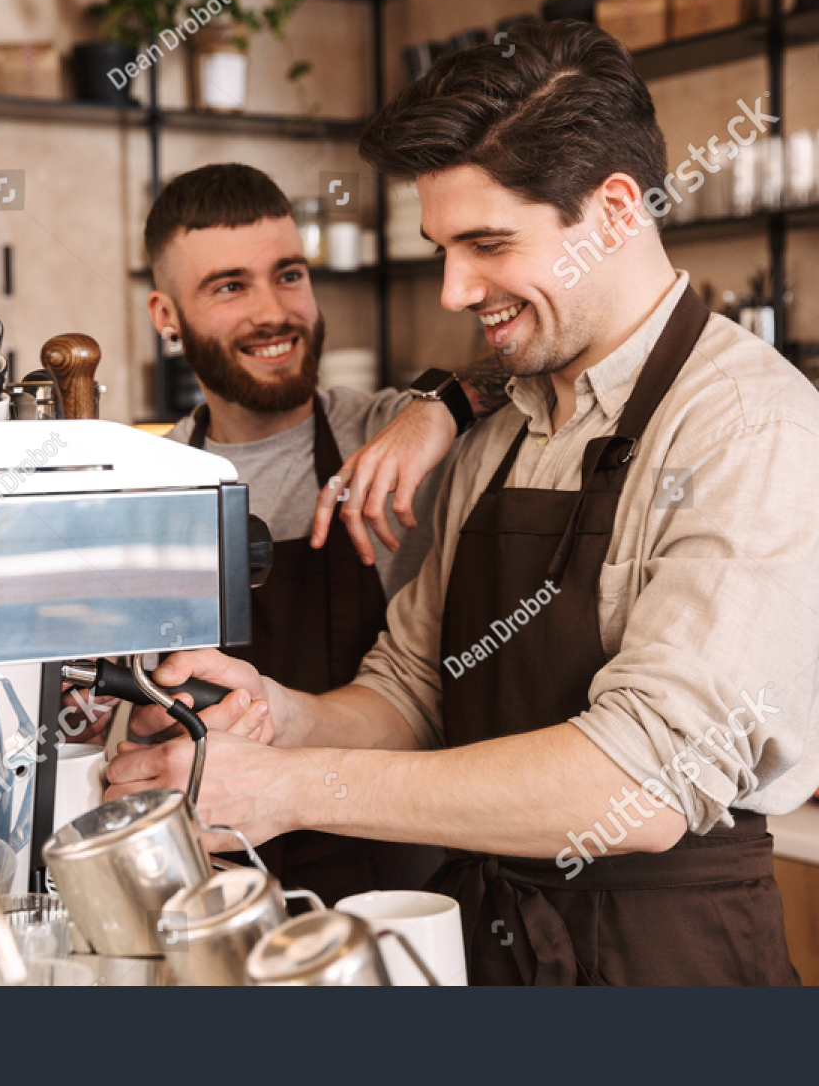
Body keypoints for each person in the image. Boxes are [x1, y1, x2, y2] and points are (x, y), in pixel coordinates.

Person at [105, 23, 819, 985]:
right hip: (489, 947)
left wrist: (289, 786)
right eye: (442, 247)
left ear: (615, 211)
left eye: (487, 244)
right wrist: (282, 716)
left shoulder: (752, 434)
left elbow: (642, 782)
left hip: (665, 963)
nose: (455, 289)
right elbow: (413, 688)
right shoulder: (505, 424)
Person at [73, 163, 505, 904]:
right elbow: (98, 723)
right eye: (229, 286)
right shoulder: (143, 488)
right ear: (166, 315)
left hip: (405, 890)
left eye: (290, 274)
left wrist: (443, 405)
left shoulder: (389, 436)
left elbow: (538, 364)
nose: (274, 312)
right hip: (213, 898)